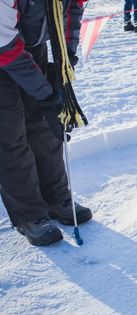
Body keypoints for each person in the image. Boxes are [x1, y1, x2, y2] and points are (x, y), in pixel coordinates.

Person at [0, 0, 92, 247]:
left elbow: (73, 9)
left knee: (44, 125)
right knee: (11, 137)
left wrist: (67, 60)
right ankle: (29, 215)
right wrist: (48, 96)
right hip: (3, 47)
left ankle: (56, 197)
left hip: (30, 46)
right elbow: (6, 49)